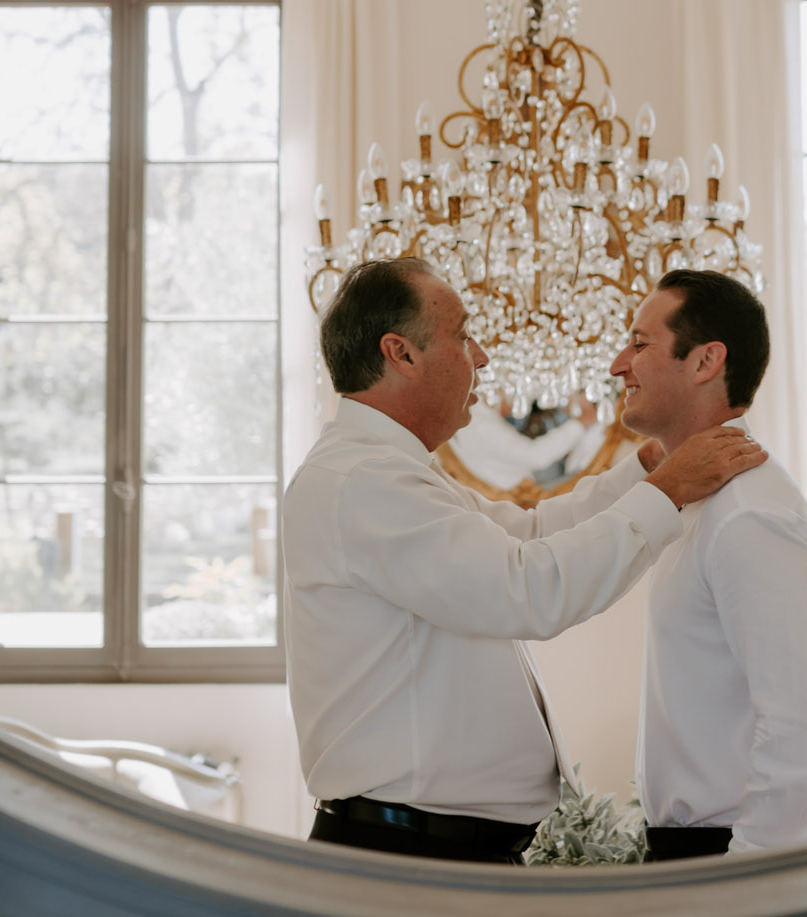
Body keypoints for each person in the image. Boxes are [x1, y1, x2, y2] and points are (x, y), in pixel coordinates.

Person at [284, 257, 769, 864]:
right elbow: (527, 589)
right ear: (401, 354)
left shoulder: (388, 473)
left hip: (434, 849)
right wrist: (667, 492)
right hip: (407, 856)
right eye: (462, 335)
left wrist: (645, 470)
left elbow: (526, 536)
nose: (481, 356)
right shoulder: (361, 480)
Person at [610, 268, 807, 860]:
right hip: (690, 859)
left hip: (728, 865)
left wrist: (743, 885)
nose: (619, 364)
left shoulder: (749, 515)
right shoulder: (699, 503)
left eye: (640, 344)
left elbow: (801, 730)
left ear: (705, 361)